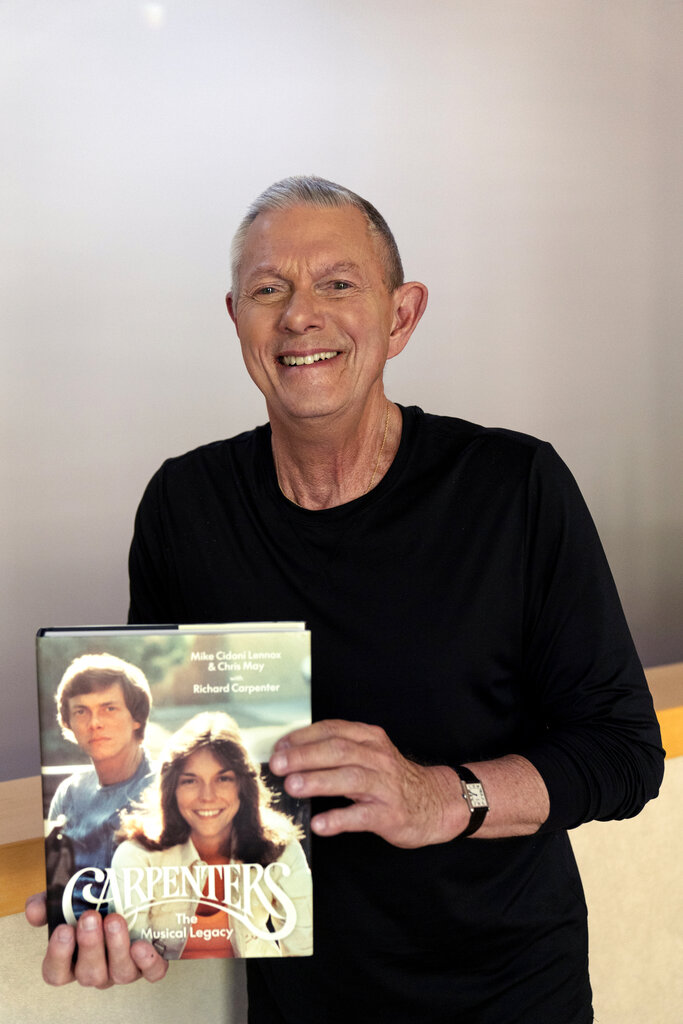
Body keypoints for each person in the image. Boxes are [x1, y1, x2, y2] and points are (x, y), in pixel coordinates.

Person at [28, 176, 664, 1022]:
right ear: (235, 320)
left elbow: (623, 755)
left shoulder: (513, 487)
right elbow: (169, 777)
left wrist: (442, 795)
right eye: (268, 290)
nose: (299, 315)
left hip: (508, 995)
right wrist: (124, 916)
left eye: (337, 283)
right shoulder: (186, 505)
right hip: (303, 1006)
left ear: (400, 316)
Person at [111, 711, 312, 959]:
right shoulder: (137, 856)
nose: (207, 796)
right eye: (190, 781)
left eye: (223, 778)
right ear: (172, 789)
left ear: (242, 786)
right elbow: (130, 959)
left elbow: (303, 949)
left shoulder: (280, 849)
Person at [46, 653, 155, 920]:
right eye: (81, 711)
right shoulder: (69, 792)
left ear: (136, 718)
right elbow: (53, 883)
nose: (94, 722)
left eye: (109, 708)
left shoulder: (166, 788)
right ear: (69, 723)